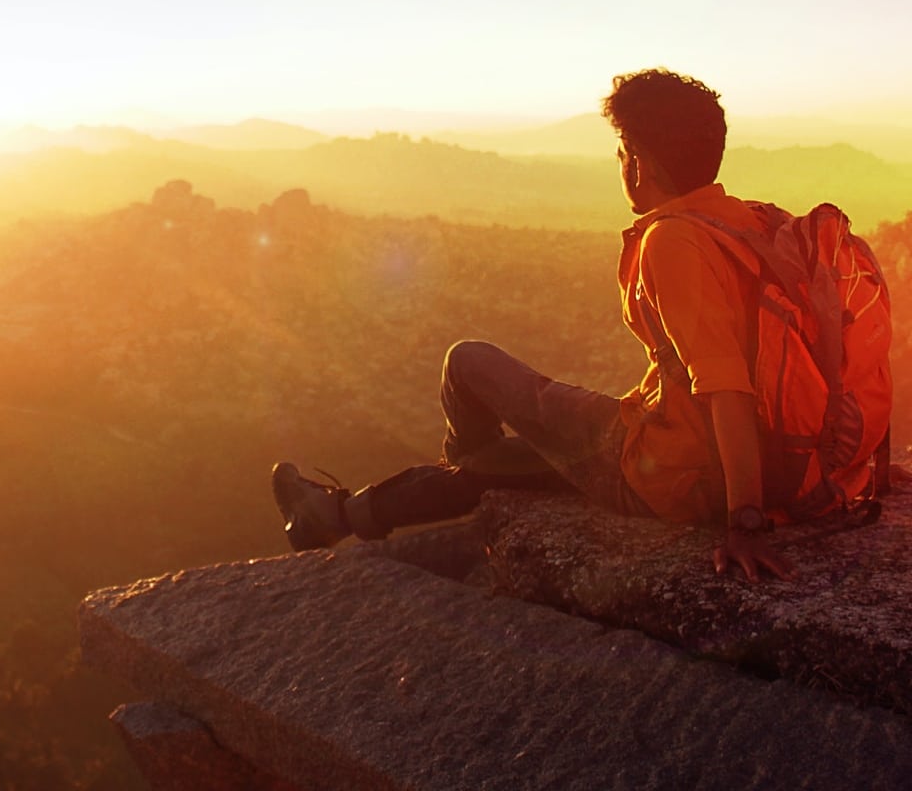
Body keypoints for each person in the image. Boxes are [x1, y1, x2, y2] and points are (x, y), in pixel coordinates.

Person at [272, 68, 797, 582]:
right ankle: (337, 516)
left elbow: (727, 386)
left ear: (638, 164)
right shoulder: (750, 223)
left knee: (467, 362)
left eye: (622, 152)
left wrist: (745, 521)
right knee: (538, 457)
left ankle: (462, 467)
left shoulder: (673, 241)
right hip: (754, 461)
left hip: (670, 474)